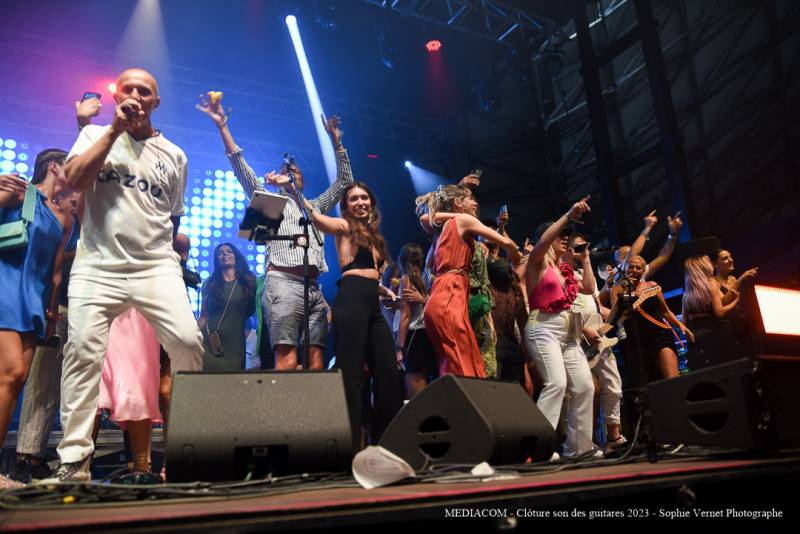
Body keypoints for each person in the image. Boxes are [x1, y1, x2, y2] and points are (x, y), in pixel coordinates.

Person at [49, 68, 204, 482]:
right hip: (98, 265)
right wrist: (114, 129)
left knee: (189, 343)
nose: (135, 95)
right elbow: (76, 179)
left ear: (156, 102)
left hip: (155, 265)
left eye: (145, 91)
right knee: (82, 353)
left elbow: (171, 217)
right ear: (117, 95)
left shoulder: (175, 155)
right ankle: (74, 463)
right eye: (129, 88)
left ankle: (187, 453)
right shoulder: (93, 136)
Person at [198, 96, 353, 371]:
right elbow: (240, 168)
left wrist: (337, 142)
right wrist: (223, 126)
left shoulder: (314, 206)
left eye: (295, 171)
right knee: (287, 357)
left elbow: (344, 182)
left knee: (316, 360)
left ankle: (316, 414)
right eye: (286, 170)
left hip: (314, 287)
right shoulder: (270, 203)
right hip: (282, 282)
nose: (291, 172)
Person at [283, 179, 403, 445]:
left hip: (372, 303)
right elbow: (316, 219)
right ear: (346, 206)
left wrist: (386, 292)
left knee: (387, 372)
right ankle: (347, 443)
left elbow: (373, 275)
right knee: (351, 374)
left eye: (364, 198)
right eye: (354, 199)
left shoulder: (376, 237)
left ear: (371, 202)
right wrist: (295, 191)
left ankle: (385, 442)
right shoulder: (344, 226)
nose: (360, 202)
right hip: (350, 300)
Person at [0, 151, 76, 488]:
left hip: (33, 300)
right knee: (11, 372)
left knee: (14, 382)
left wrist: (51, 310)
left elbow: (56, 273)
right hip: (5, 285)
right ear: (54, 167)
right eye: (71, 164)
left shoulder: (63, 215)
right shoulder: (19, 191)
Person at [416, 184, 520, 378]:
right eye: (470, 198)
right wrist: (515, 252)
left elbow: (426, 220)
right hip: (449, 296)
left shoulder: (446, 227)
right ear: (457, 203)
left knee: (458, 363)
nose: (475, 203)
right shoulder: (462, 220)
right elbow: (505, 242)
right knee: (461, 366)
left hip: (445, 296)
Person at [523, 198, 597, 457]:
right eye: (560, 235)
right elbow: (544, 241)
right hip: (542, 328)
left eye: (567, 236)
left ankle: (578, 448)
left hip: (568, 333)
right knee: (556, 383)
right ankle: (537, 449)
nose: (564, 239)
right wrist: (568, 215)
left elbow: (588, 287)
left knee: (585, 386)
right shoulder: (538, 262)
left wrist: (585, 258)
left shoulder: (564, 269)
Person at [563, 233, 626, 450]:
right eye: (578, 247)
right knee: (586, 390)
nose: (583, 250)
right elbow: (563, 308)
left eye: (584, 246)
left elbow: (596, 304)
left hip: (599, 337)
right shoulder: (560, 274)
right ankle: (584, 442)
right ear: (567, 249)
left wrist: (620, 312)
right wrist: (582, 329)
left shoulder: (584, 271)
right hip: (575, 337)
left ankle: (614, 437)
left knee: (614, 385)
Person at [609, 255, 694, 384]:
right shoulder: (616, 289)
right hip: (635, 341)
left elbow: (665, 311)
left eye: (638, 267)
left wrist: (681, 326)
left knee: (672, 380)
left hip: (660, 336)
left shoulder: (652, 285)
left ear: (643, 271)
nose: (634, 270)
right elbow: (616, 318)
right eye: (631, 266)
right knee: (647, 385)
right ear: (625, 269)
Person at [198, 243, 256, 371]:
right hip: (208, 343)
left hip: (234, 346)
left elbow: (250, 311)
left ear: (236, 256)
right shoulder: (209, 284)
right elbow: (203, 316)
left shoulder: (248, 282)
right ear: (216, 260)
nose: (225, 254)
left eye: (229, 251)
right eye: (220, 253)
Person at [682, 255, 741, 370]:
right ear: (703, 267)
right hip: (714, 337)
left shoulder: (687, 294)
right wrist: (736, 301)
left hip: (696, 342)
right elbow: (719, 312)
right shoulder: (711, 284)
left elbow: (684, 323)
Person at [394, 243, 437, 398]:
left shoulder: (406, 279)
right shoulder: (430, 277)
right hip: (428, 337)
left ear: (402, 260)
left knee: (415, 397)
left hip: (413, 338)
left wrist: (399, 347)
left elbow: (406, 316)